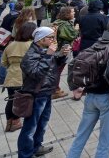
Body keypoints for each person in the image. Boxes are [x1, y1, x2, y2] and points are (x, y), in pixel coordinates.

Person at [66, 16, 109, 158]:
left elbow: (76, 62)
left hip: (91, 95)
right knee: (106, 140)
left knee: (81, 136)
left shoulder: (100, 41)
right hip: (108, 97)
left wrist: (76, 86)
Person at [17, 26, 68, 158]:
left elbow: (54, 64)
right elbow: (36, 73)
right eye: (50, 37)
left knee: (42, 124)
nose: (53, 40)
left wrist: (62, 55)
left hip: (46, 92)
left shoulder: (44, 50)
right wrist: (49, 55)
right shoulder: (30, 55)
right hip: (36, 95)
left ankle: (36, 147)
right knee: (30, 128)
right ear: (40, 39)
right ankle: (25, 154)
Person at [1, 22, 36, 133]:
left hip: (11, 77)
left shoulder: (10, 45)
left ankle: (9, 123)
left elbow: (4, 62)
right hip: (24, 77)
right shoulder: (32, 45)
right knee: (21, 102)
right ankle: (16, 122)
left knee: (11, 100)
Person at [50, 6, 78, 99]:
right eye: (72, 12)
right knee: (58, 71)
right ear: (67, 14)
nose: (74, 13)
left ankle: (55, 88)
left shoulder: (57, 22)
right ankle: (55, 90)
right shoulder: (65, 24)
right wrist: (76, 29)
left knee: (56, 70)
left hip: (55, 50)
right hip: (62, 51)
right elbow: (71, 36)